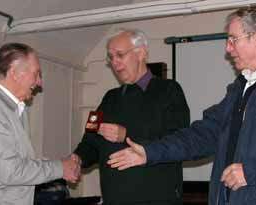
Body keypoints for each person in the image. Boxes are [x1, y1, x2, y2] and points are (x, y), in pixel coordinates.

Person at [108, 7, 256, 205]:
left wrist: (251, 172)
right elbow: (202, 135)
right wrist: (150, 152)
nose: (227, 48)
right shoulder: (239, 90)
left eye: (233, 39)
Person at [72, 29, 190, 205]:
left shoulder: (170, 90)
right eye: (111, 57)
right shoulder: (108, 98)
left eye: (119, 55)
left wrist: (126, 135)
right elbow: (90, 140)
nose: (115, 62)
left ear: (141, 53)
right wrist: (77, 159)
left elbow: (179, 142)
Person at [0, 43, 80, 205]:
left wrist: (62, 166)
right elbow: (10, 171)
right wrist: (60, 168)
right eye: (36, 74)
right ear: (15, 73)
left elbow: (21, 162)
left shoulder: (11, 108)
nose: (40, 82)